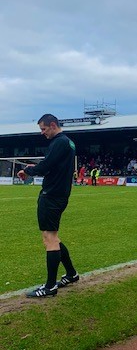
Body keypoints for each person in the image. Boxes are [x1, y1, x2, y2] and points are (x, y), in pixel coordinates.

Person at [17, 114, 79, 298]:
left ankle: (50, 287)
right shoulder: (68, 142)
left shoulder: (59, 142)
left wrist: (28, 170)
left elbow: (44, 168)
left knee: (49, 238)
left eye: (43, 129)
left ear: (53, 125)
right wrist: (34, 167)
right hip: (60, 194)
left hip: (51, 195)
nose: (42, 133)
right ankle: (71, 274)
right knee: (54, 237)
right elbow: (51, 166)